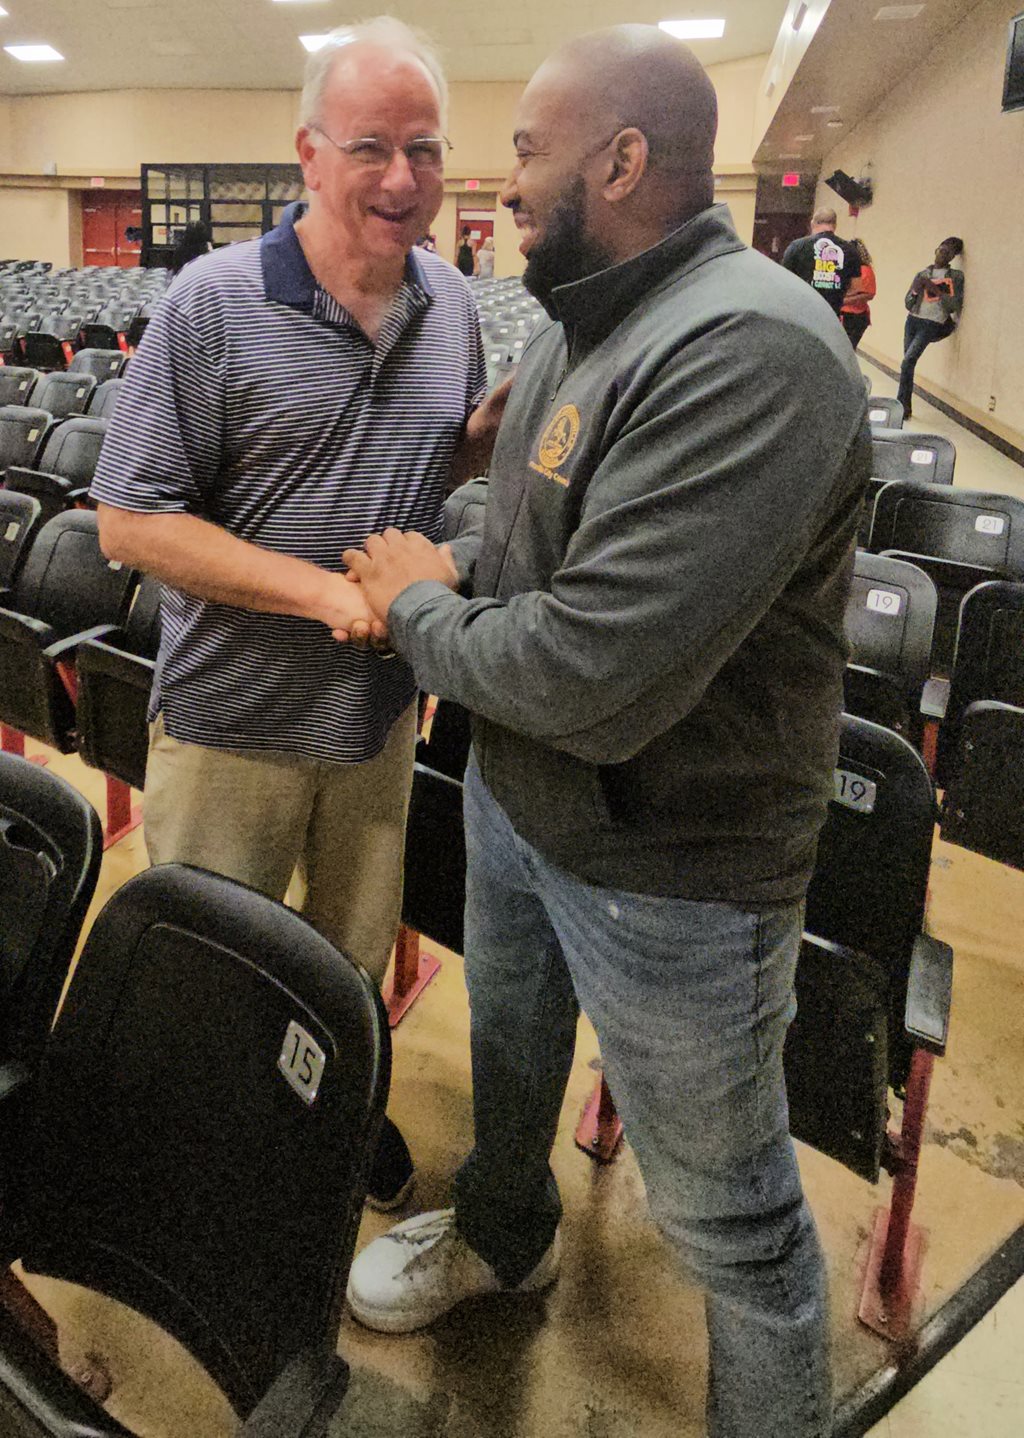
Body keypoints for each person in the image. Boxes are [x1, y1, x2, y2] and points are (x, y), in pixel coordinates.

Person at [341, 23, 869, 1438]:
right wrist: (453, 547)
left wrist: (409, 609)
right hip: (527, 802)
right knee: (511, 1072)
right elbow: (515, 534)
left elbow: (590, 665)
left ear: (623, 159)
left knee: (730, 1219)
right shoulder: (589, 314)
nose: (501, 183)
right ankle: (507, 1233)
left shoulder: (750, 346)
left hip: (674, 872)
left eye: (525, 150)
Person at [90, 18, 504, 1211]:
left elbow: (419, 473)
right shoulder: (213, 306)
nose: (399, 177)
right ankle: (214, 1176)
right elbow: (129, 522)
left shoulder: (451, 306)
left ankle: (328, 1122)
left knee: (346, 962)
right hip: (232, 722)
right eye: (369, 146)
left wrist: (479, 446)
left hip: (374, 725)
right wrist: (327, 591)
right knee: (220, 970)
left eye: (423, 148)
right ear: (308, 156)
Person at [897, 236, 964, 419]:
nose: (941, 254)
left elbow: (954, 306)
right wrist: (916, 291)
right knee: (907, 364)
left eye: (947, 252)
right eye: (940, 250)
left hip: (932, 323)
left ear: (952, 257)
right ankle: (905, 407)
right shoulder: (923, 273)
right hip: (913, 319)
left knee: (908, 361)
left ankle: (901, 406)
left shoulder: (956, 277)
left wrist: (936, 291)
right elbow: (908, 302)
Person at [781, 206, 861, 316]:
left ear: (812, 224)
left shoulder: (797, 246)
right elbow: (856, 287)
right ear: (835, 225)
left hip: (801, 312)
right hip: (831, 315)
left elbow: (784, 281)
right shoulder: (850, 250)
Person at [839, 238, 876, 350]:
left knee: (847, 349)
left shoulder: (864, 270)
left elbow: (869, 294)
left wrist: (843, 300)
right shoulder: (843, 268)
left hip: (855, 316)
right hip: (841, 313)